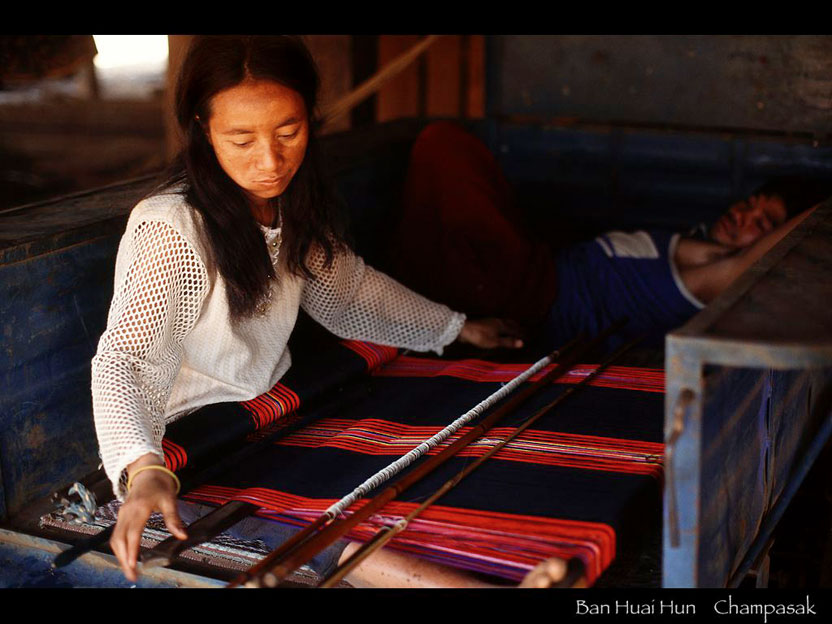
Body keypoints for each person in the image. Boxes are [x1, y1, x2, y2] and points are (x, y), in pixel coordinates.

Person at [91, 36, 523, 586]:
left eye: (288, 133)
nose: (270, 161)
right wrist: (146, 468)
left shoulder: (290, 204)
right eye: (240, 139)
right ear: (203, 129)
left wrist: (457, 326)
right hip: (188, 444)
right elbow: (125, 360)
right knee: (336, 542)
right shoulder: (172, 228)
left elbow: (349, 289)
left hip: (274, 413)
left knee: (433, 471)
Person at [388, 121, 831, 351]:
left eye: (764, 221)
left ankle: (406, 302)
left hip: (533, 298)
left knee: (443, 146)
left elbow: (751, 263)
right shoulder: (699, 242)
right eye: (751, 202)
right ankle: (409, 295)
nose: (744, 213)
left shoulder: (713, 279)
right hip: (535, 265)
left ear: (775, 242)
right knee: (462, 173)